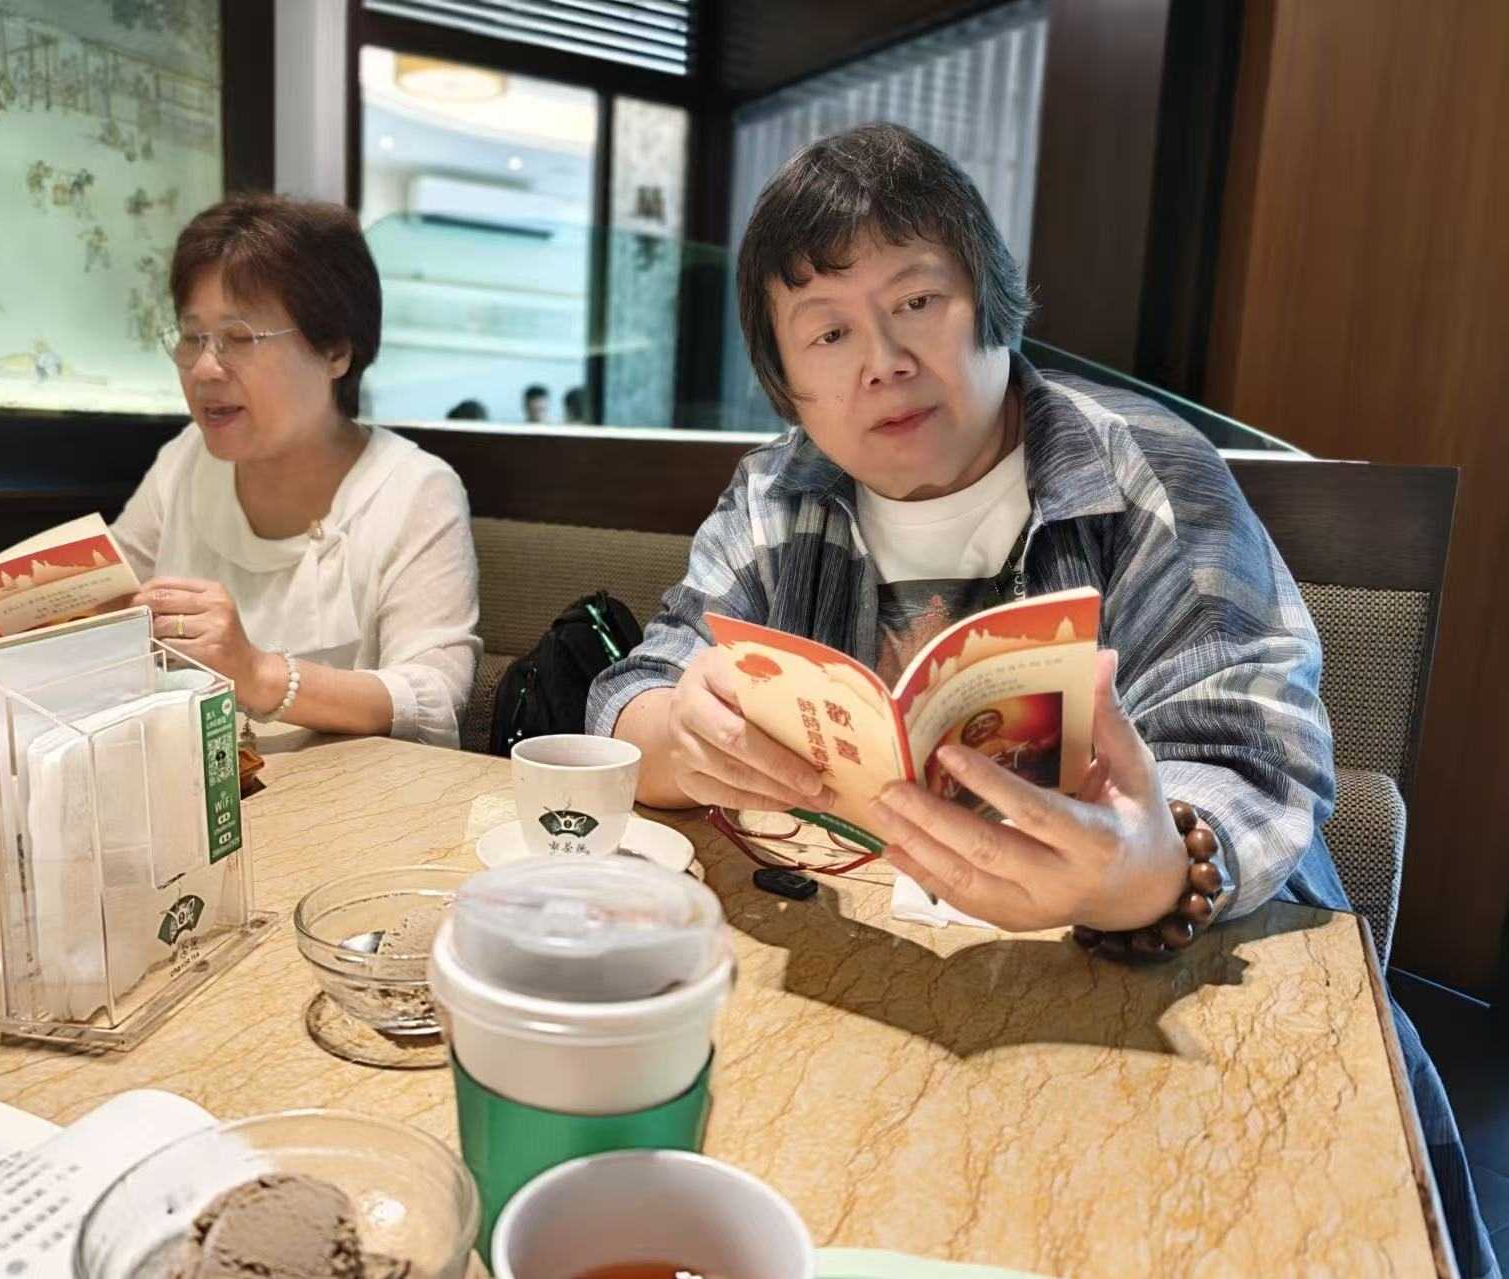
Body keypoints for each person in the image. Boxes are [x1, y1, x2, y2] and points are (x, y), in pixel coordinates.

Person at [586, 124, 1498, 1278]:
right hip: (872, 1000)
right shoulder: (776, 493)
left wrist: (1145, 873)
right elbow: (635, 685)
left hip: (1143, 1012)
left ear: (992, 304)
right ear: (787, 382)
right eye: (827, 332)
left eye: (916, 302)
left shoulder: (1144, 473)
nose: (882, 360)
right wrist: (680, 731)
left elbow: (1255, 750)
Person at [0, 194, 481, 746]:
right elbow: (104, 601)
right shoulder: (187, 459)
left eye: (239, 338)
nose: (204, 368)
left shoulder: (414, 489)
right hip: (187, 784)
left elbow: (434, 693)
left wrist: (257, 673)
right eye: (190, 337)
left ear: (335, 351)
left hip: (348, 798)